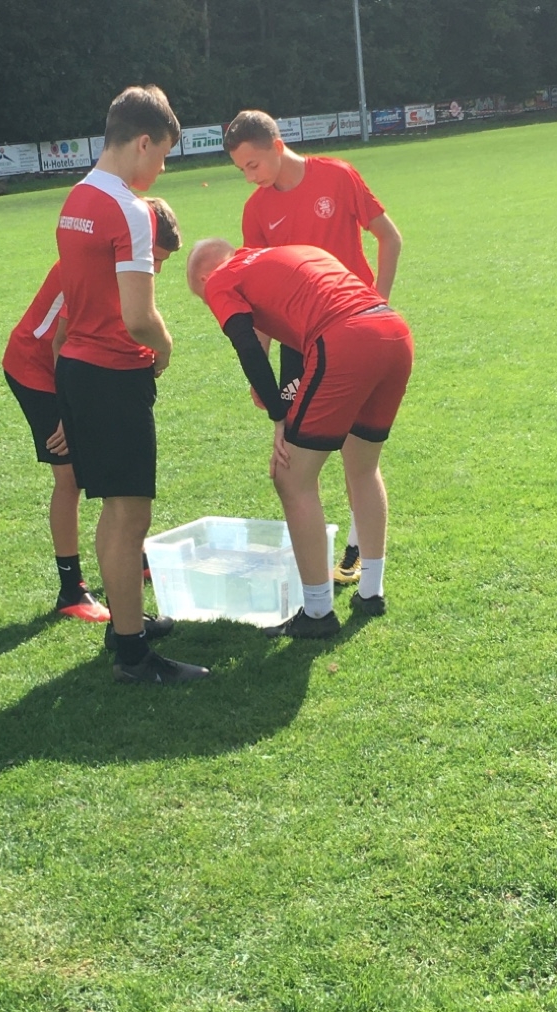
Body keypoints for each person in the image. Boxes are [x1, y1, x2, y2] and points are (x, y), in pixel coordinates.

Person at [55, 84, 210, 683]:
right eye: (164, 154)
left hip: (78, 369)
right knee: (131, 516)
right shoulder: (129, 209)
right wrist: (164, 348)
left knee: (114, 511)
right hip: (113, 374)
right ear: (143, 142)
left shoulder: (76, 197)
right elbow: (139, 316)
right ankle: (132, 654)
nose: (163, 168)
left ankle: (125, 623)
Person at [187, 239, 413, 638]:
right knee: (363, 467)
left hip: (346, 337)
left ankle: (318, 612)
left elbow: (246, 344)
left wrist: (279, 415)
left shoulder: (220, 279)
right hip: (393, 331)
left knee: (291, 478)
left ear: (205, 278)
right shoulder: (284, 254)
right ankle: (371, 591)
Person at [224, 109, 403, 591]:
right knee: (301, 455)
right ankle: (330, 559)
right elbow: (256, 297)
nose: (250, 177)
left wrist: (378, 301)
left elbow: (390, 237)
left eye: (253, 165)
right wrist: (260, 374)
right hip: (299, 346)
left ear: (278, 146)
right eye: (241, 169)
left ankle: (356, 557)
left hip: (352, 336)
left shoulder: (337, 177)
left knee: (355, 454)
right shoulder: (256, 211)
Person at [3, 197, 181, 623]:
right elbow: (60, 342)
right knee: (70, 478)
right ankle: (71, 589)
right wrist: (71, 413)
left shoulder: (121, 261)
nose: (156, 269)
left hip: (70, 369)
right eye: (155, 258)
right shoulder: (88, 265)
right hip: (36, 369)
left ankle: (131, 556)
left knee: (106, 467)